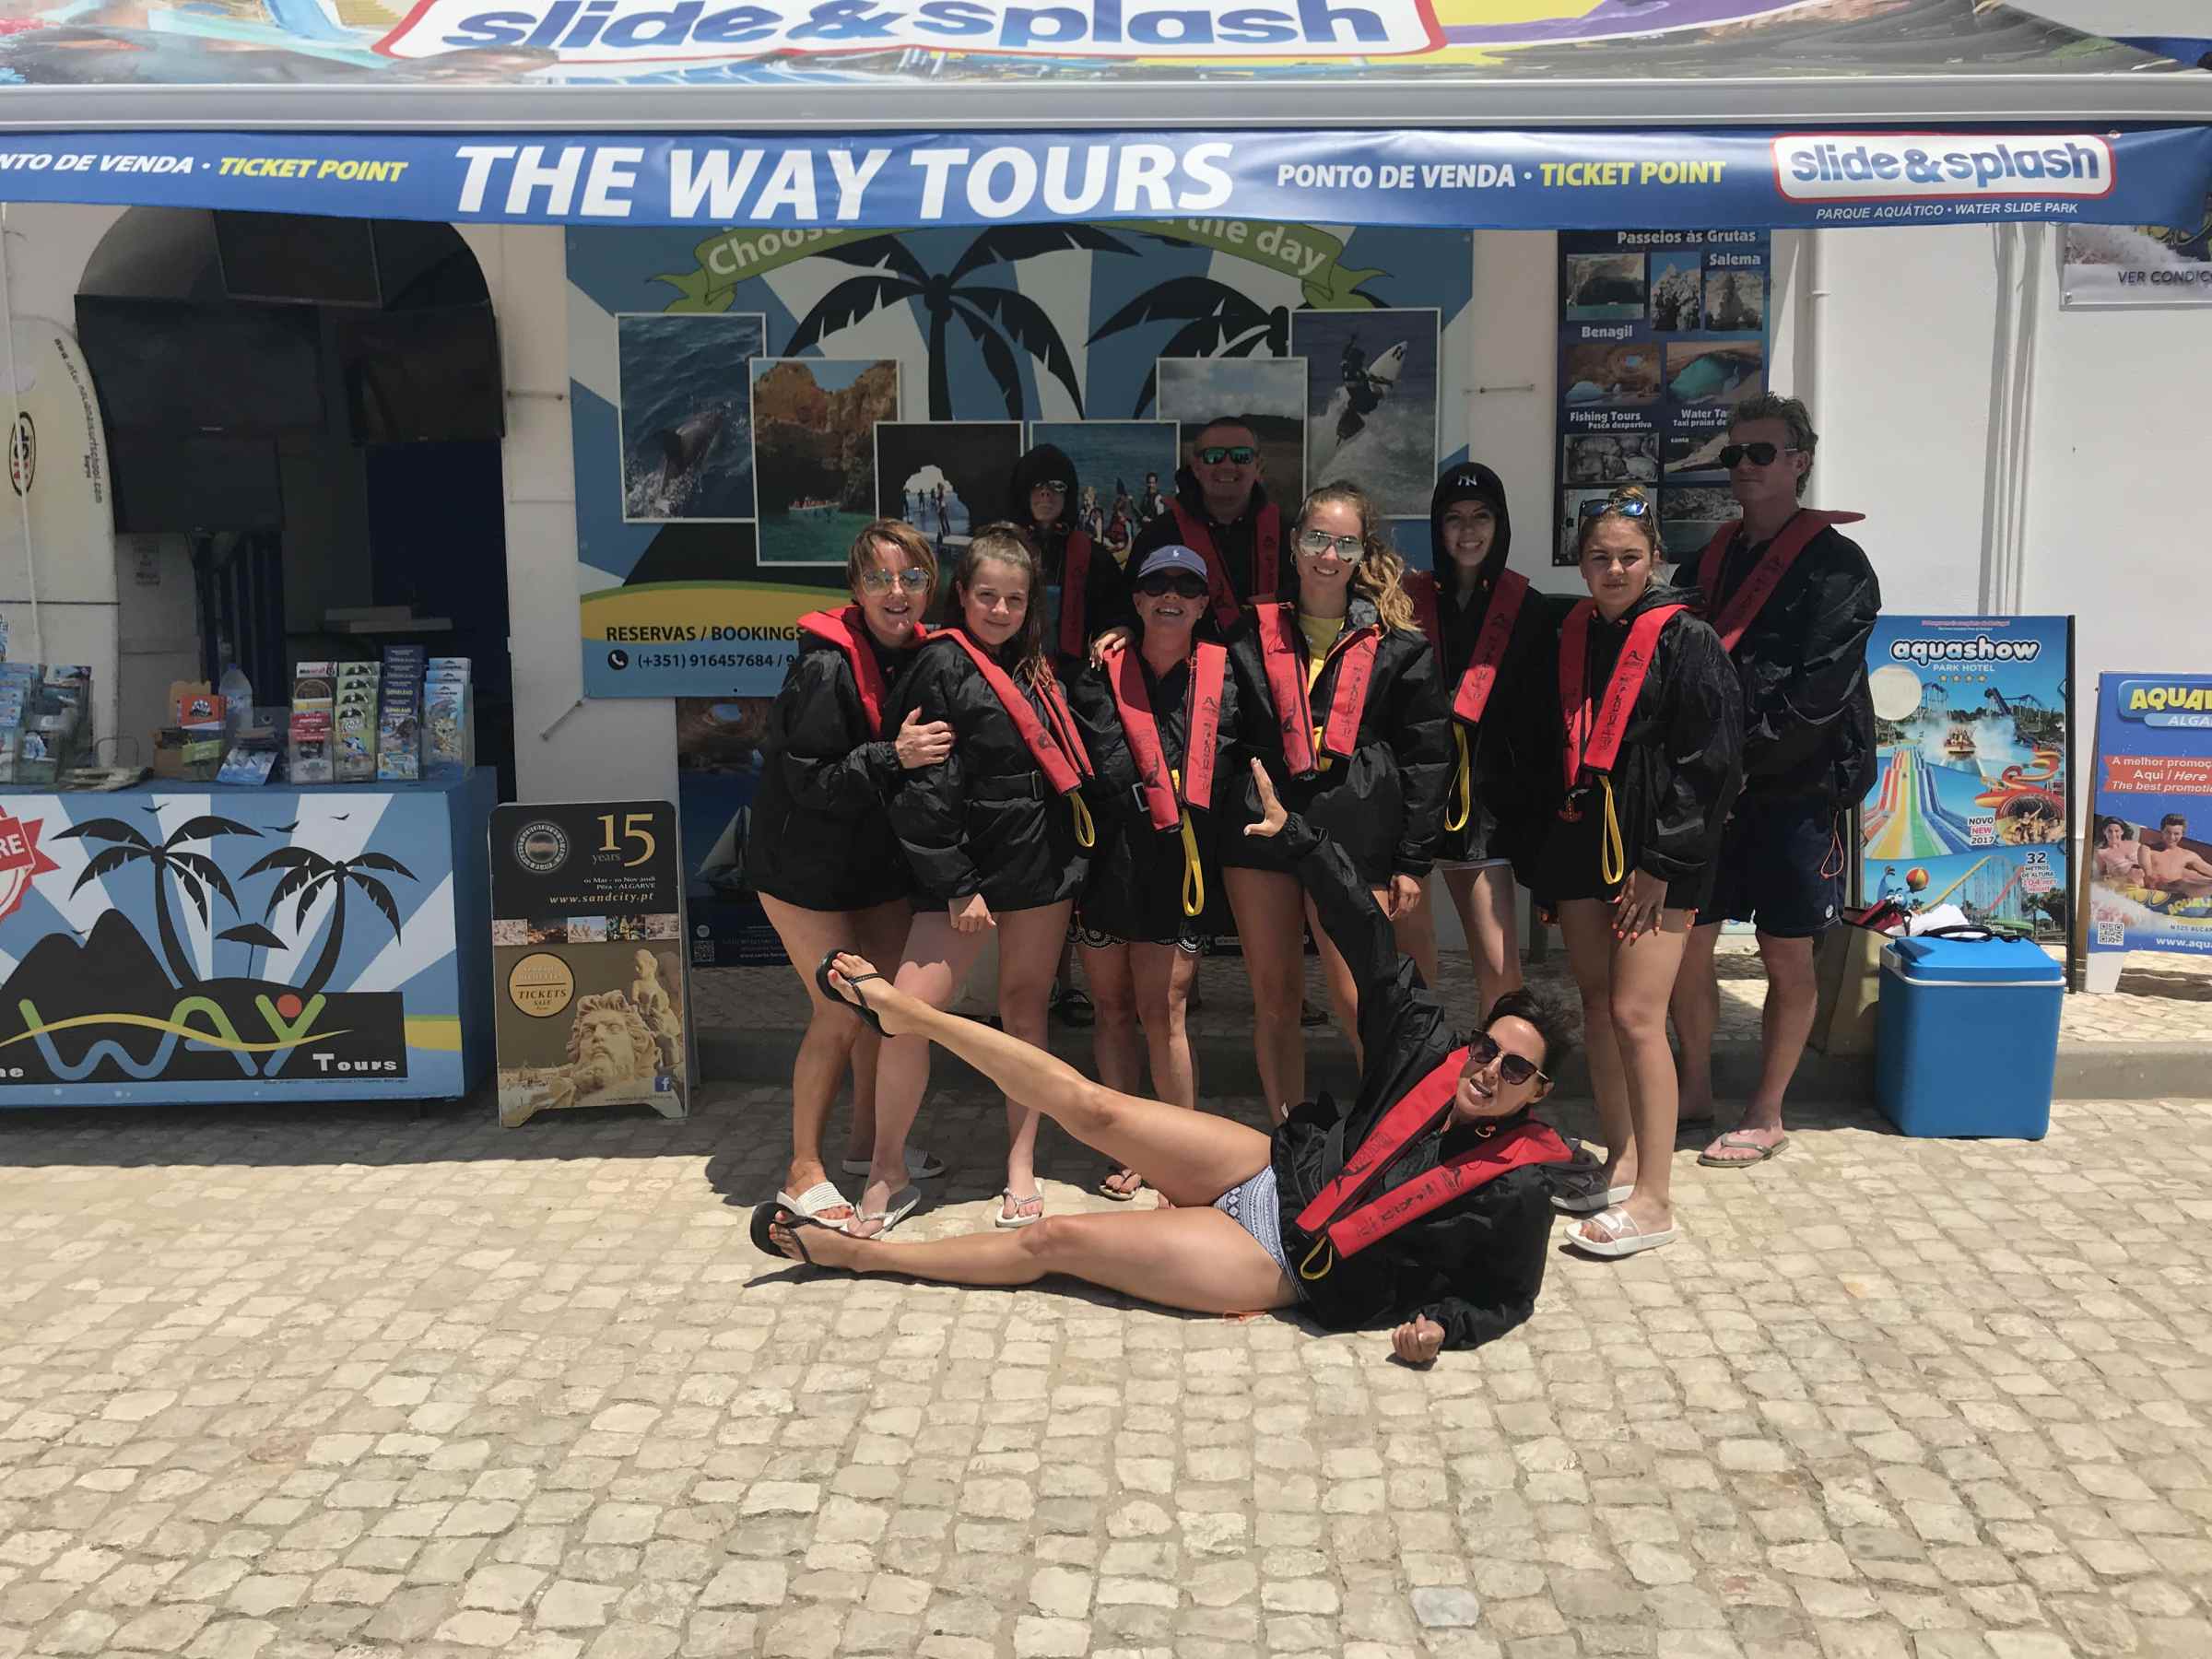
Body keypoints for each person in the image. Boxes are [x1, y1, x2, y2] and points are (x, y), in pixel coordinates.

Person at [758, 759, 1577, 1363]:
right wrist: (1301, 842)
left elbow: (1507, 1296)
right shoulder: (1428, 1051)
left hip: (1284, 1262)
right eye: (1488, 1049)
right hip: (1270, 1168)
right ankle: (907, 1013)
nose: (1488, 1072)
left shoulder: (1519, 1185)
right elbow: (1367, 938)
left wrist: (1443, 1328)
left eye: (1514, 1072)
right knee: (1094, 1106)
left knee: (1058, 1241)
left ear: (1536, 1093)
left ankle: (865, 1254)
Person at [1666, 394, 1880, 1172]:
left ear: (1800, 461)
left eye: (1761, 453)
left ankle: (1767, 1110)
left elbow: (1820, 692)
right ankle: (1692, 1088)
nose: (1745, 468)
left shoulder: (1838, 566)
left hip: (1795, 789)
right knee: (1687, 944)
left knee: (1784, 952)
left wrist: (1739, 751)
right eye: (1734, 455)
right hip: (1716, 790)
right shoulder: (1710, 556)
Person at [1533, 488, 1741, 1258]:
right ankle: (1621, 1161)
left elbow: (1712, 765)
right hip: (1585, 841)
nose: (1613, 568)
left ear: (1655, 559)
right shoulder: (1575, 631)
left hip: (1659, 856)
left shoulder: (1689, 641)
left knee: (1635, 1015)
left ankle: (1656, 1198)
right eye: (1599, 557)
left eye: (1628, 556)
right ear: (1580, 563)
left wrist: (1663, 863)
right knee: (1595, 1001)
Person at [882, 524, 1095, 1232]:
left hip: (1038, 863)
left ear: (1030, 604)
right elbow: (922, 792)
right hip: (966, 874)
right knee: (906, 1013)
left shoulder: (1037, 664)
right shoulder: (939, 664)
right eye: (986, 597)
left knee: (1026, 1011)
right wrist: (959, 884)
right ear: (961, 597)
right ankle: (885, 1171)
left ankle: (1021, 1166)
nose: (999, 611)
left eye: (1013, 599)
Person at [747, 521, 955, 1230]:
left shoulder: (921, 655)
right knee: (839, 1007)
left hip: (873, 862)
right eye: (879, 580)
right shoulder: (824, 669)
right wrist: (893, 756)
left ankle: (867, 1146)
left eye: (912, 578)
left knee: (884, 1005)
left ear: (931, 583)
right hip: (801, 866)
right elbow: (809, 784)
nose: (897, 593)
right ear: (854, 590)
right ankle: (803, 1169)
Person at [1222, 482, 1451, 1122]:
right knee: (1275, 999)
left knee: (1361, 998)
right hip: (1265, 836)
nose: (1328, 554)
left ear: (1361, 553)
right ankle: (1290, 1132)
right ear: (1295, 546)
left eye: (1344, 542)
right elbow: (1223, 733)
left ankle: (1389, 1138)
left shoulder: (1401, 643)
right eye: (1317, 538)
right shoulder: (1247, 632)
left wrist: (1412, 858)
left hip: (1356, 838)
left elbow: (1428, 757)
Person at [1066, 545, 1241, 1202]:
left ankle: (1183, 1153)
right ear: (1136, 600)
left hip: (1181, 860)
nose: (1172, 594)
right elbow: (1099, 763)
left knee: (1164, 1009)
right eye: (1157, 585)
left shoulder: (1224, 676)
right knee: (1111, 1009)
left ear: (1202, 603)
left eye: (1187, 586)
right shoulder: (1096, 673)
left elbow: (1224, 763)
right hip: (1109, 863)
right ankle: (1128, 1146)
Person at [1405, 463, 1555, 1018]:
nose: (1468, 532)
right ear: (1438, 529)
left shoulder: (1530, 608)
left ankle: (1503, 1085)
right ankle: (1419, 1084)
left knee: (1497, 967)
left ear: (1501, 524)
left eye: (1481, 517)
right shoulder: (1407, 603)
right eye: (1454, 519)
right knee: (1411, 966)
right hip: (1414, 800)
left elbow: (1542, 720)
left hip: (1485, 806)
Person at [1012, 441, 1122, 1030]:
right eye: (1037, 488)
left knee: (1076, 847)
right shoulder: (999, 553)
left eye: (1057, 489)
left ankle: (1071, 983)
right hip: (1014, 713)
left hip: (1075, 716)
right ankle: (1033, 985)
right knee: (1033, 851)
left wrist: (1119, 632)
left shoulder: (1095, 558)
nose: (1047, 498)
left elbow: (1120, 619)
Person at [1116, 415, 1291, 636]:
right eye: (1214, 456)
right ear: (1196, 467)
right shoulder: (1159, 535)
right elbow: (1128, 607)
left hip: (1269, 664)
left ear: (1258, 466)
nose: (1227, 465)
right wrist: (1123, 628)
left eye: (1241, 456)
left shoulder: (1288, 533)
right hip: (1187, 666)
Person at [2140, 814, 2212, 894]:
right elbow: (2148, 875)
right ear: (2162, 831)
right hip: (2156, 891)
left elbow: (2208, 869)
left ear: (2182, 835)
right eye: (2168, 832)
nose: (2171, 837)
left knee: (2199, 881)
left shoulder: (2187, 855)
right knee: (2183, 881)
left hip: (2177, 893)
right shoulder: (2147, 849)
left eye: (2176, 834)